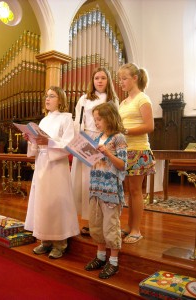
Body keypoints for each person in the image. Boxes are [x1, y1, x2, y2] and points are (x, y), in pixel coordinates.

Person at [24, 86, 80, 259]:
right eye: (46, 96)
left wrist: (48, 141)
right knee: (43, 202)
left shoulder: (66, 119)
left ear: (60, 100)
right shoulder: (43, 121)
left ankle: (60, 243)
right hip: (42, 164)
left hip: (57, 166)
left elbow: (69, 144)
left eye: (52, 96)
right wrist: (31, 140)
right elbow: (36, 147)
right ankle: (45, 240)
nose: (47, 99)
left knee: (56, 201)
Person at [71, 67, 119, 236]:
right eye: (96, 78)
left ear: (108, 81)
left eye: (103, 78)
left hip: (103, 141)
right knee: (86, 183)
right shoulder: (84, 99)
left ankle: (102, 220)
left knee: (101, 182)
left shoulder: (112, 100)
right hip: (85, 141)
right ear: (92, 81)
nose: (99, 81)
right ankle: (91, 220)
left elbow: (115, 122)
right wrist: (79, 140)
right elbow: (78, 120)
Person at [84, 102, 127, 279]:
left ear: (109, 117)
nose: (96, 123)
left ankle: (114, 262)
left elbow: (122, 165)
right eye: (95, 119)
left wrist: (107, 154)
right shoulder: (98, 137)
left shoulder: (118, 138)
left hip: (110, 190)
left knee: (110, 227)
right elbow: (93, 161)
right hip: (96, 187)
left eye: (99, 119)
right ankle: (101, 257)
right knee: (96, 226)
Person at [118, 62, 156, 244]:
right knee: (128, 191)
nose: (121, 82)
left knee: (135, 191)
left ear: (135, 78)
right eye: (120, 79)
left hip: (139, 149)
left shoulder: (143, 99)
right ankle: (128, 226)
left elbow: (150, 126)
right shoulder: (123, 102)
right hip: (125, 151)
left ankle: (136, 230)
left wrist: (125, 131)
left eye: (124, 78)